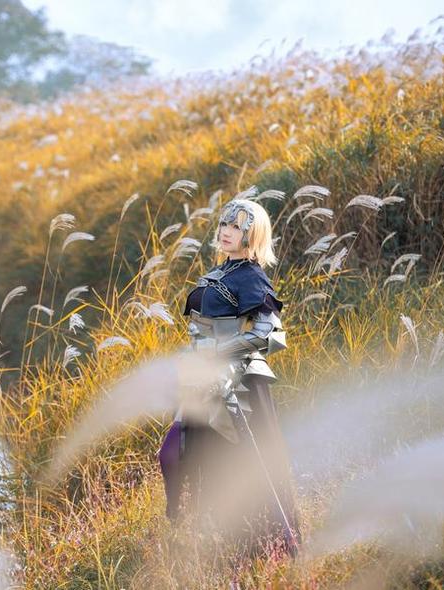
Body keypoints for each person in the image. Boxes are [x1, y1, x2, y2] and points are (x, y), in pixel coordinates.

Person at [157, 198, 301, 559]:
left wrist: (223, 355)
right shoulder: (220, 271)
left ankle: (254, 547)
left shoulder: (251, 276)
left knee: (235, 465)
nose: (225, 231)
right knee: (173, 453)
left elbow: (271, 334)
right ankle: (191, 530)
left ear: (252, 234)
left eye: (236, 226)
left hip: (236, 386)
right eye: (224, 223)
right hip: (201, 381)